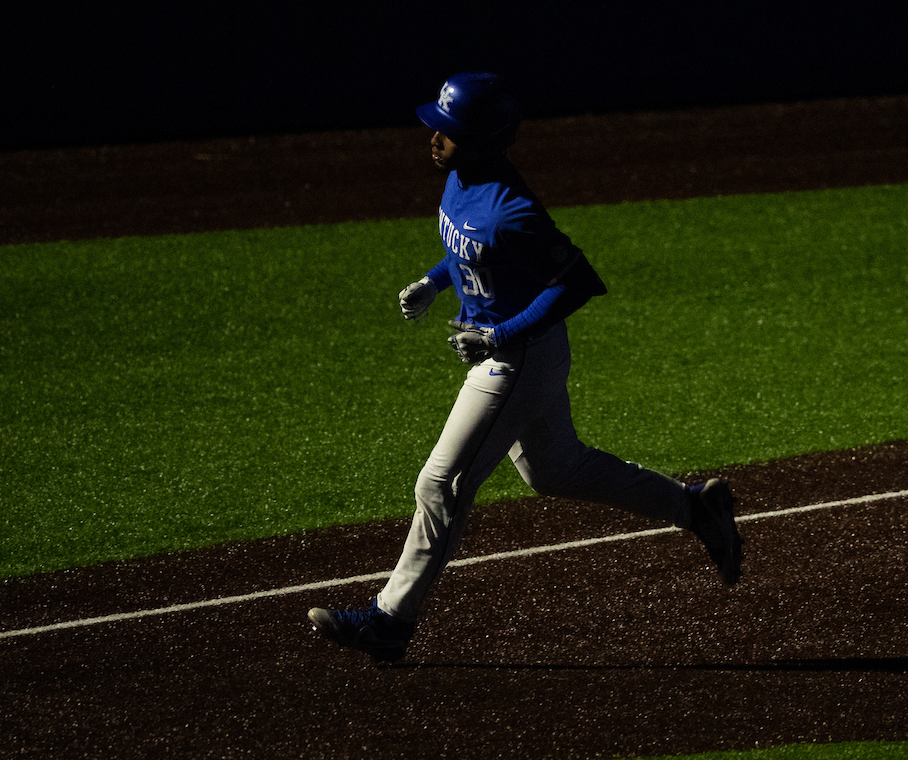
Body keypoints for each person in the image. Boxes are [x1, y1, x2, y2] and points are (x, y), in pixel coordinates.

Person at [308, 72, 743, 662]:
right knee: (555, 469)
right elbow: (469, 248)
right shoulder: (462, 178)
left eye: (447, 132)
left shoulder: (515, 210)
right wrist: (436, 282)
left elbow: (578, 281)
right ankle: (694, 507)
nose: (432, 139)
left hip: (516, 360)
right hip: (508, 352)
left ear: (482, 139)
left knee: (440, 483)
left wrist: (502, 333)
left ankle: (389, 621)